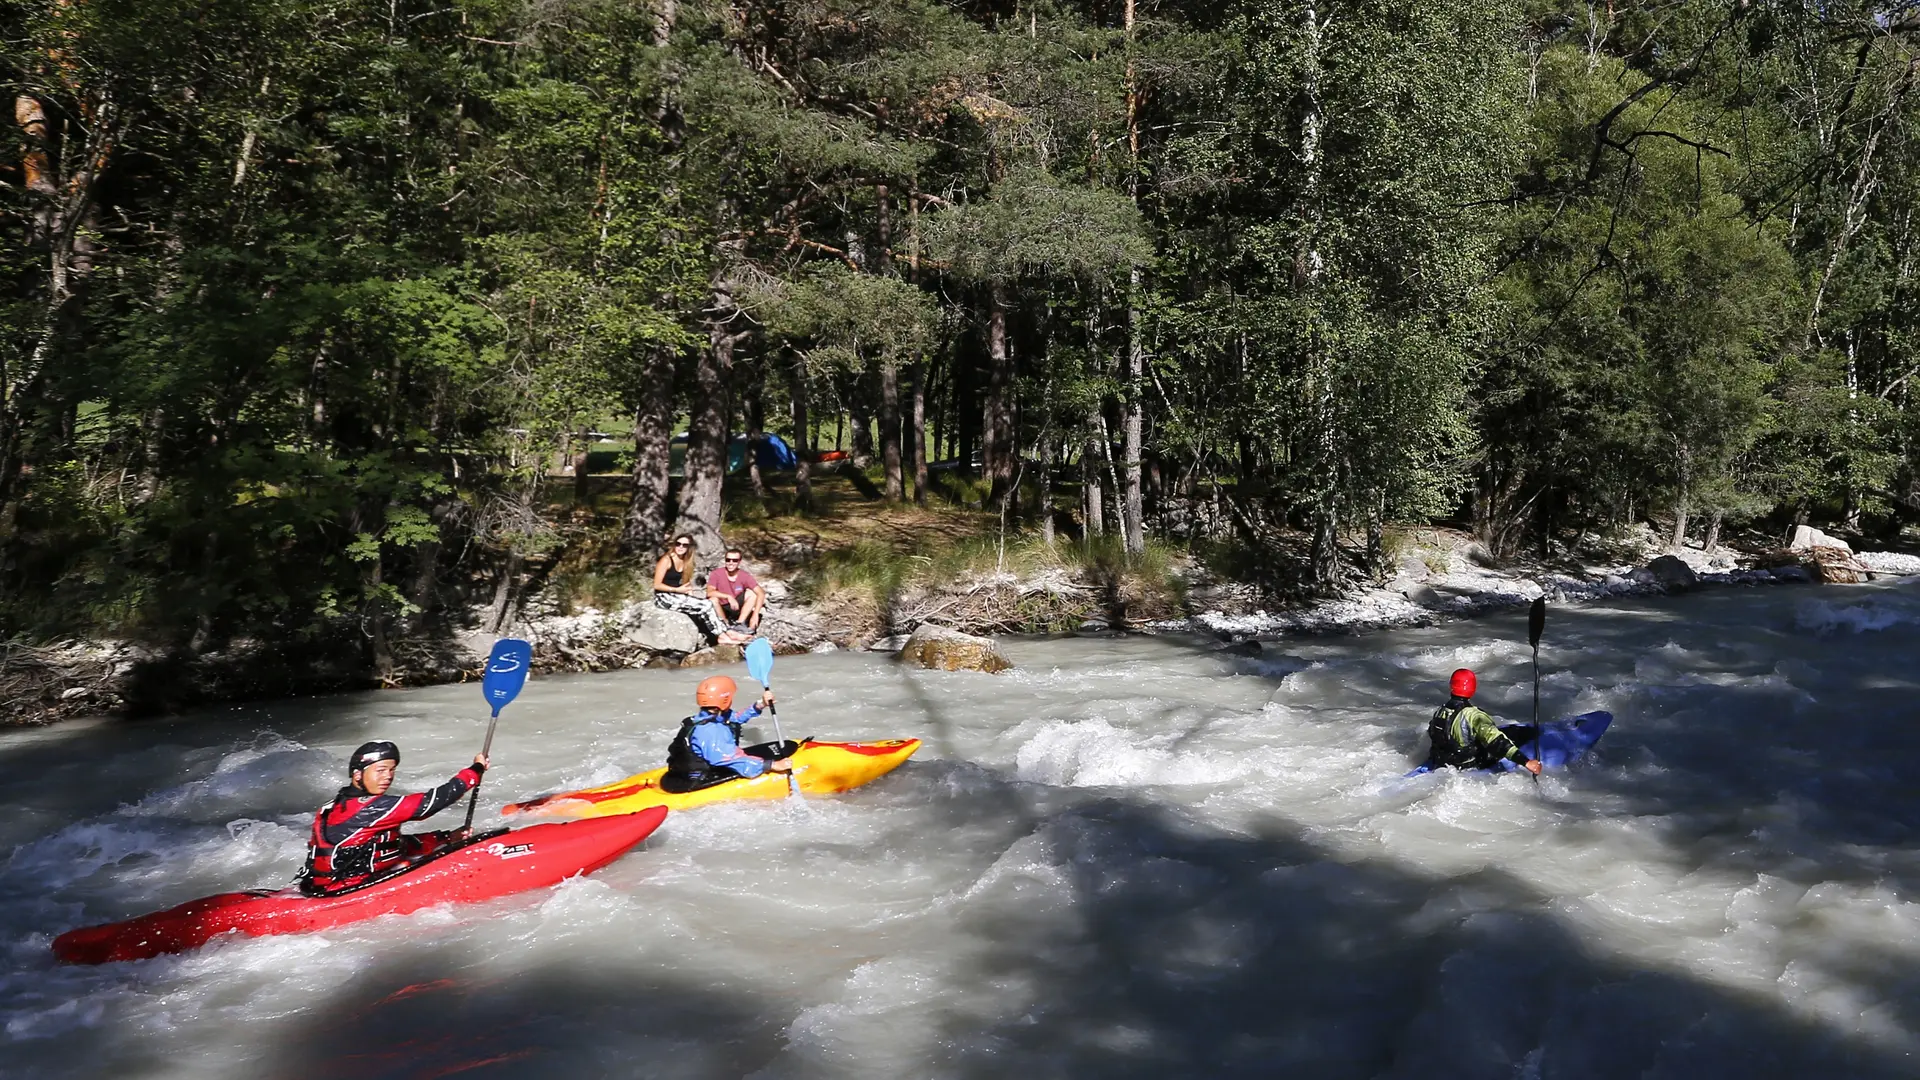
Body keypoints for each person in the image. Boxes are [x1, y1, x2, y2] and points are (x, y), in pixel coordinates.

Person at [300, 741, 490, 896]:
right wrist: (475, 770)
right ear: (358, 774)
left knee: (410, 859)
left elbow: (386, 846)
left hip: (324, 888)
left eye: (391, 770)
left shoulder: (334, 805)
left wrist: (447, 838)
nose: (388, 777)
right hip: (348, 890)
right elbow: (431, 802)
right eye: (380, 770)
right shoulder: (372, 807)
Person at [660, 675, 796, 794]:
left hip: (689, 769)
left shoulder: (706, 716)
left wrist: (760, 705)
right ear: (724, 700)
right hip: (700, 778)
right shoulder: (711, 731)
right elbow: (727, 759)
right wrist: (771, 765)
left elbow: (735, 718)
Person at [1424, 668, 1543, 775]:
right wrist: (1526, 762)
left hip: (1444, 760)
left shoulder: (1440, 711)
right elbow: (1497, 742)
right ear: (1473, 688)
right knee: (1513, 733)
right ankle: (1539, 733)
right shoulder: (1474, 716)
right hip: (1469, 764)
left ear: (1451, 686)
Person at [653, 533, 725, 639]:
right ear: (674, 545)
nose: (681, 547)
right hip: (663, 597)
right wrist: (677, 590)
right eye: (678, 544)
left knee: (708, 603)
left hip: (675, 595)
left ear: (689, 547)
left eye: (684, 545)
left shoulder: (685, 561)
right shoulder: (666, 560)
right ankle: (721, 635)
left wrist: (688, 591)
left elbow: (685, 582)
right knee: (706, 606)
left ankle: (724, 631)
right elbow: (657, 585)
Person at [706, 547, 767, 642]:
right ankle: (725, 626)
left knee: (752, 594)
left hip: (736, 607)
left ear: (739, 561)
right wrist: (728, 596)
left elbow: (761, 593)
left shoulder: (744, 576)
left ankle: (740, 623)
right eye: (728, 560)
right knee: (712, 599)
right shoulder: (716, 574)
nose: (731, 563)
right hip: (722, 606)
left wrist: (755, 615)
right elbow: (709, 592)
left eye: (734, 560)